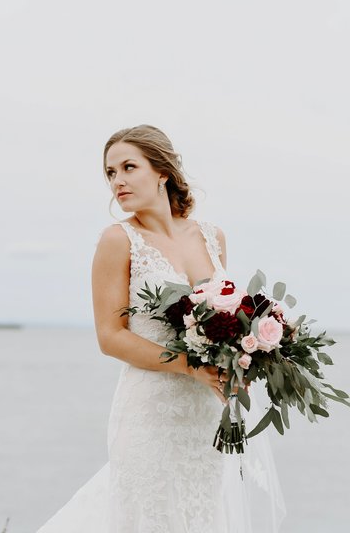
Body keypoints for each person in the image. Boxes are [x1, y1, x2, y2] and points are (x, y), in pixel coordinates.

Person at [36, 124, 286, 533]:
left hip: (206, 412)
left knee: (201, 513)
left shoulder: (211, 236)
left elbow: (225, 318)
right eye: (110, 173)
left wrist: (244, 355)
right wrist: (190, 366)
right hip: (150, 411)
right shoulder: (118, 240)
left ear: (162, 172)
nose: (117, 181)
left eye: (128, 167)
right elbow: (110, 336)